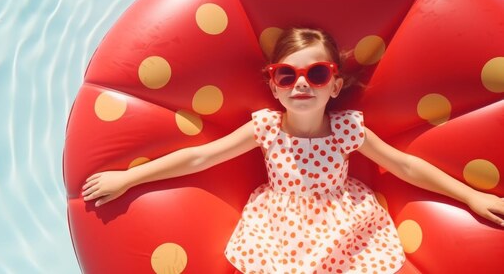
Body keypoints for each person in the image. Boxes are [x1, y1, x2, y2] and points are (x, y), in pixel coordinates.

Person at [82, 28, 504, 273]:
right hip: (278, 222)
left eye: (317, 73)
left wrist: (469, 195)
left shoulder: (347, 129)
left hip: (343, 221)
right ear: (274, 86)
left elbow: (405, 166)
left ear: (335, 86)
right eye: (287, 75)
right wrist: (129, 177)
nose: (301, 83)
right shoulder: (265, 127)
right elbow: (200, 157)